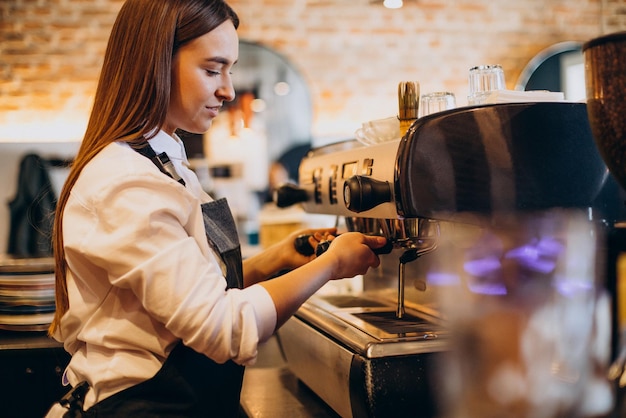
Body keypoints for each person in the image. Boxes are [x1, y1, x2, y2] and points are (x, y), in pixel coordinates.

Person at [45, 0, 387, 417]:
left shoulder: (164, 163)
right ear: (155, 63)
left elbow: (190, 289)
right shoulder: (126, 181)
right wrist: (329, 266)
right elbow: (222, 328)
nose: (228, 89)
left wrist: (275, 260)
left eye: (230, 69)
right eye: (212, 69)